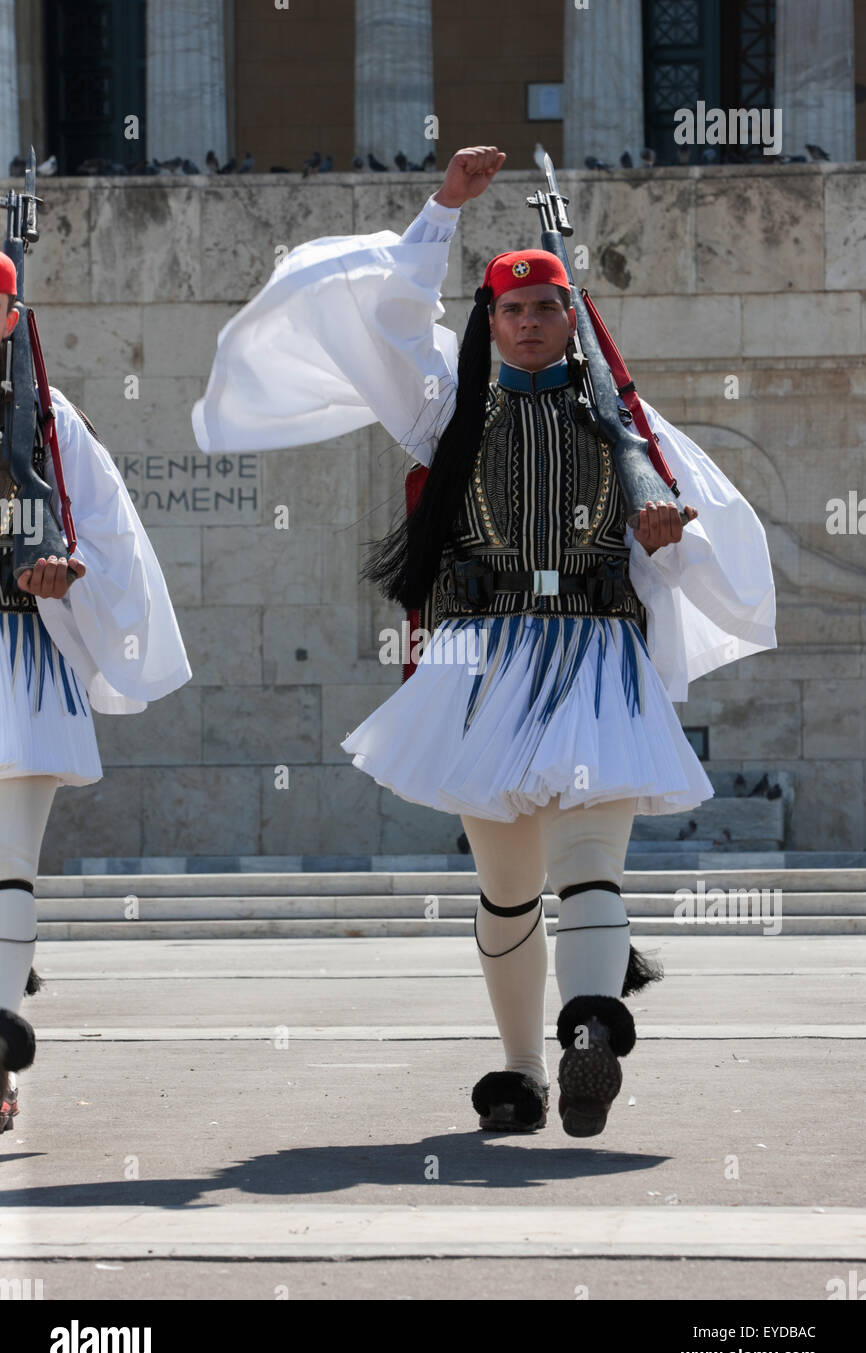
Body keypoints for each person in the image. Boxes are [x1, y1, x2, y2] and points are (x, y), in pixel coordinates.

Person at [192, 146, 776, 1138]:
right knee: (507, 889)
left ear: (569, 316)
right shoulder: (445, 413)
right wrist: (440, 210)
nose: (527, 321)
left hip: (594, 654)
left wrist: (669, 537)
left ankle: (587, 1025)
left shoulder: (626, 426)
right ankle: (519, 1070)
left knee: (591, 860)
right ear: (488, 320)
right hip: (486, 664)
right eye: (509, 309)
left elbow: (699, 535)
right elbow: (384, 322)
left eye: (544, 306)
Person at [0, 250, 192, 1133]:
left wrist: (67, 579)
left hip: (16, 656)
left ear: (11, 319)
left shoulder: (47, 420)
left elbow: (103, 532)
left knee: (9, 866)